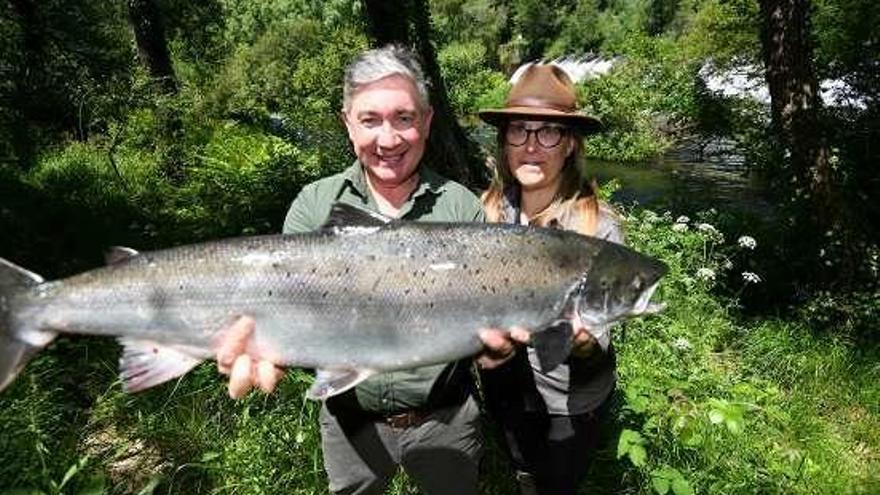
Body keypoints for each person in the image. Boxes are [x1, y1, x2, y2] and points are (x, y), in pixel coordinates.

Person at [214, 45, 524, 495]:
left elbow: (481, 319)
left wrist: (496, 352)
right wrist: (270, 345)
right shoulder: (314, 206)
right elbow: (282, 305)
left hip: (447, 418)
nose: (389, 139)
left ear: (427, 121)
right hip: (348, 422)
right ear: (347, 122)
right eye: (370, 120)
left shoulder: (462, 207)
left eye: (404, 118)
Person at [476, 63, 623, 495]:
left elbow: (600, 338)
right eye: (519, 130)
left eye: (549, 132)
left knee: (557, 482)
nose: (532, 146)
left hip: (569, 402)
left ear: (571, 143)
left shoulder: (599, 227)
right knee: (521, 469)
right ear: (504, 141)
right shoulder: (485, 214)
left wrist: (583, 344)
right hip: (504, 385)